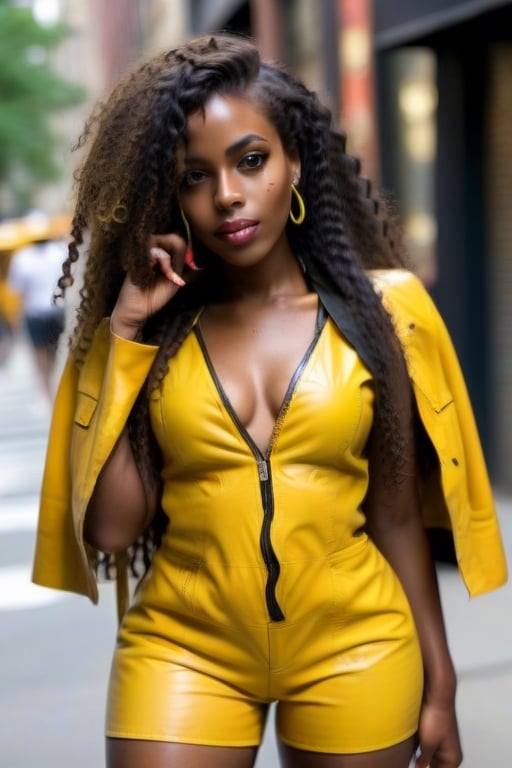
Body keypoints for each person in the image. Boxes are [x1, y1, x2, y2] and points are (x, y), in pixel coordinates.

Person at [32, 33, 507, 768]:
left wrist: (439, 683)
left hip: (358, 643)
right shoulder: (151, 330)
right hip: (183, 648)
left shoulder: (387, 314)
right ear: (173, 194)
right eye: (196, 176)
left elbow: (397, 512)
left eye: (250, 160)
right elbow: (110, 528)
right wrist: (124, 331)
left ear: (294, 163)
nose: (227, 194)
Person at [6, 232, 67, 402]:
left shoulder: (22, 257)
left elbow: (15, 290)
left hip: (35, 313)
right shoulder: (60, 251)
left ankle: (49, 397)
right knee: (58, 355)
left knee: (42, 360)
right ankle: (58, 395)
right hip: (57, 310)